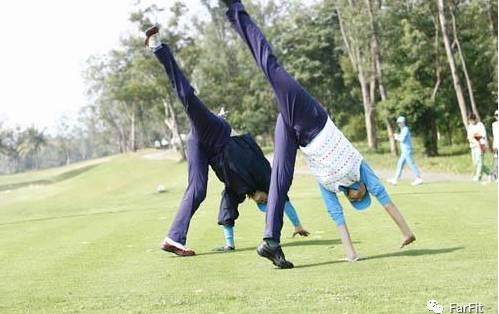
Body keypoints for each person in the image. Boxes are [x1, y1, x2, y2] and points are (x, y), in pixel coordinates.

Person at [223, 0, 416, 269]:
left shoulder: (331, 187)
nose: (357, 196)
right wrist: (406, 231)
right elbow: (384, 197)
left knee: (279, 179)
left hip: (296, 134)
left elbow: (336, 215)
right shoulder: (360, 170)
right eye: (362, 196)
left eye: (355, 200)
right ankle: (234, 8)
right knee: (270, 64)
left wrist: (350, 252)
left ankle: (271, 240)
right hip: (310, 116)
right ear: (365, 189)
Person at [144, 26, 309, 256]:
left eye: (260, 203)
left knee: (198, 189)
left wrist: (230, 243)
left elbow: (227, 211)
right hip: (216, 133)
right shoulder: (265, 175)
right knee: (188, 97)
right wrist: (297, 223)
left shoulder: (238, 191)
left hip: (202, 146)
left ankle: (174, 238)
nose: (262, 200)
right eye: (265, 201)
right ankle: (159, 48)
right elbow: (282, 197)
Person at [387, 116, 423, 186]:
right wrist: (397, 135)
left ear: (403, 122)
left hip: (407, 150)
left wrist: (396, 136)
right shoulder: (403, 130)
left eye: (400, 122)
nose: (399, 124)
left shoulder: (405, 129)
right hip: (404, 151)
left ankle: (418, 178)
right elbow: (401, 137)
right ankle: (395, 180)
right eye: (398, 123)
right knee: (400, 164)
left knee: (411, 164)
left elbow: (402, 139)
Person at [467, 113, 487, 182]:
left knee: (480, 162)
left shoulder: (480, 125)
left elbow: (483, 135)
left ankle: (478, 177)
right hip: (473, 146)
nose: (470, 122)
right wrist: (474, 138)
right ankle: (490, 173)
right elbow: (469, 137)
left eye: (471, 120)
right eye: (469, 120)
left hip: (480, 146)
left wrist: (475, 137)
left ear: (474, 119)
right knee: (475, 162)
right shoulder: (470, 126)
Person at [491, 110, 498, 181]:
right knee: (496, 161)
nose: (497, 117)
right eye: (496, 115)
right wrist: (494, 145)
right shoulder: (494, 125)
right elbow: (495, 136)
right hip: (496, 145)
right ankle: (496, 176)